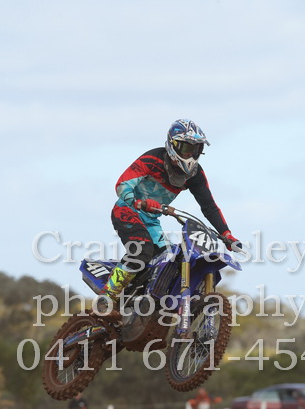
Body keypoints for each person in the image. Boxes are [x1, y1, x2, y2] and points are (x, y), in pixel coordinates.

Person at [97, 119, 241, 317]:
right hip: (127, 211)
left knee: (169, 262)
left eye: (195, 149)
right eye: (186, 148)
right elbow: (122, 185)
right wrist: (138, 202)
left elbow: (208, 206)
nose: (190, 154)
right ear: (173, 144)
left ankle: (140, 304)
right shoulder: (152, 159)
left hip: (151, 221)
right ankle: (107, 297)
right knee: (142, 251)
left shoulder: (195, 174)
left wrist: (226, 234)